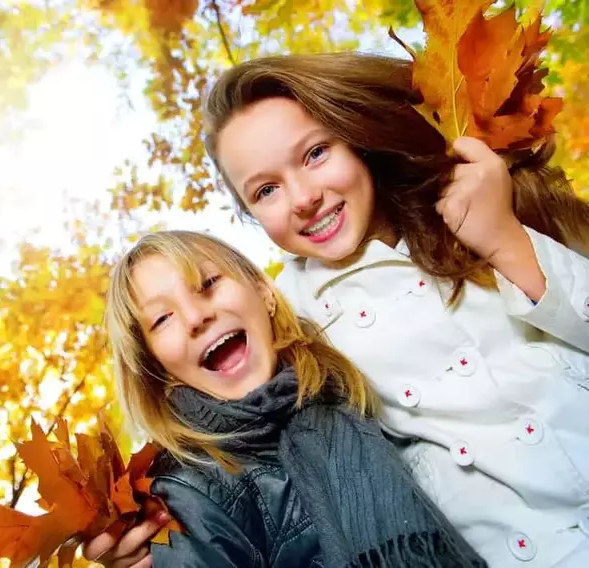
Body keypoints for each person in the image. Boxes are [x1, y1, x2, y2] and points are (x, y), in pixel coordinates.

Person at [85, 53, 589, 567]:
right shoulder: (297, 325)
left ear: (354, 137)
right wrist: (154, 536)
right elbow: (246, 448)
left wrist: (506, 241)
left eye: (316, 153)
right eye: (266, 190)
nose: (302, 197)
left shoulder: (481, 196)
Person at [98, 230, 485, 567]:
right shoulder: (187, 490)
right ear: (157, 368)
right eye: (162, 319)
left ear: (265, 293)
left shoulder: (348, 395)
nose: (196, 317)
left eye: (209, 283)